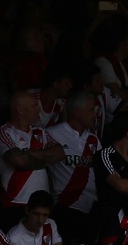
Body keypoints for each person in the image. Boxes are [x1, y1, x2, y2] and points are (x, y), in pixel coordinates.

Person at [0, 93, 62, 228]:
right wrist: (45, 157)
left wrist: (27, 154)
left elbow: (59, 153)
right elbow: (19, 161)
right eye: (34, 105)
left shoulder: (40, 132)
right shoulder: (4, 133)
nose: (39, 109)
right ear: (20, 110)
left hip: (42, 205)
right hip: (14, 204)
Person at [45, 93, 99, 243]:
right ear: (77, 112)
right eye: (91, 110)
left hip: (91, 208)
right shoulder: (52, 134)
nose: (95, 114)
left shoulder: (93, 139)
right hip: (65, 207)